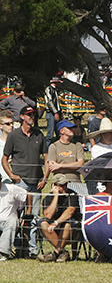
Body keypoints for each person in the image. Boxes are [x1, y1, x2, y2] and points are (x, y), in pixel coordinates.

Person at [2, 105, 47, 257]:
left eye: (33, 115)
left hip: (36, 181)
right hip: (20, 182)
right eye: (29, 115)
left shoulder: (39, 134)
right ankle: (19, 247)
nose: (32, 117)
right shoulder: (14, 136)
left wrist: (45, 177)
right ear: (22, 117)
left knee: (33, 217)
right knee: (17, 216)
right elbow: (4, 159)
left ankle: (33, 250)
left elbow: (47, 159)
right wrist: (12, 175)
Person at [37, 174, 80, 262]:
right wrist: (56, 196)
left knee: (67, 225)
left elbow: (70, 211)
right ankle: (63, 252)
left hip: (72, 230)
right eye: (61, 185)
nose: (65, 187)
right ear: (54, 186)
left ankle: (56, 253)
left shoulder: (72, 194)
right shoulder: (48, 198)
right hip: (54, 231)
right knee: (43, 223)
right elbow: (48, 215)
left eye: (66, 184)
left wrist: (56, 223)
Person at [44, 120, 84, 185]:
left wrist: (60, 166)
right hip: (59, 183)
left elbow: (80, 164)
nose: (72, 130)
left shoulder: (77, 145)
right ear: (62, 131)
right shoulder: (54, 146)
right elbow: (53, 168)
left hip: (76, 182)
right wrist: (73, 167)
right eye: (69, 128)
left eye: (73, 128)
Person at [0, 179, 26, 261]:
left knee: (12, 222)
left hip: (8, 219)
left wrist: (27, 214)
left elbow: (28, 195)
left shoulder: (11, 188)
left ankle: (3, 253)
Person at [43, 77, 63, 146]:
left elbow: (57, 103)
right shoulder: (49, 89)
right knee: (50, 134)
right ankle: (46, 149)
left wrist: (60, 112)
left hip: (57, 112)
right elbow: (50, 102)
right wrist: (55, 112)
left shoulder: (56, 90)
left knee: (59, 132)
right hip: (51, 113)